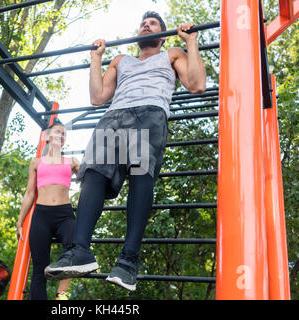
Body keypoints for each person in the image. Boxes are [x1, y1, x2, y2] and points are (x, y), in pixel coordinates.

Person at [45, 11, 206, 291]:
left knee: (141, 176)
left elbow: (197, 84)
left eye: (153, 23)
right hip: (113, 117)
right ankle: (80, 249)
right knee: (93, 174)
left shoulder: (172, 53)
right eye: (143, 22)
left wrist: (191, 42)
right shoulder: (121, 60)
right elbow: (97, 97)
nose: (146, 24)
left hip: (149, 113)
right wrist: (96, 59)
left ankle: (128, 261)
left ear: (162, 33)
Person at [16, 120, 80, 300]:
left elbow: (88, 184)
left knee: (72, 251)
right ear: (47, 137)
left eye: (63, 134)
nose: (60, 135)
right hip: (41, 215)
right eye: (57, 132)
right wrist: (20, 220)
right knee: (39, 267)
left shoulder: (72, 162)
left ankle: (62, 295)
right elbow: (29, 193)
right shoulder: (36, 163)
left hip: (65, 215)